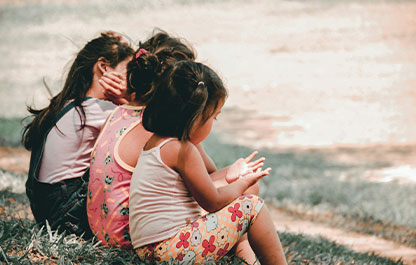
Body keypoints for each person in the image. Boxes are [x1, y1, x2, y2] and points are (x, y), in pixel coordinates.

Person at [88, 31, 261, 259]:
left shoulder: (120, 111)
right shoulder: (161, 129)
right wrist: (238, 179)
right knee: (247, 190)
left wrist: (231, 173)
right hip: (134, 237)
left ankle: (239, 251)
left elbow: (205, 174)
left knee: (239, 182)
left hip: (104, 229)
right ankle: (242, 252)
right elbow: (207, 188)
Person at [129, 60, 287, 264]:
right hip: (170, 250)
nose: (213, 123)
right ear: (194, 118)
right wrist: (242, 184)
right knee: (251, 207)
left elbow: (205, 184)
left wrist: (232, 173)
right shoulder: (182, 150)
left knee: (240, 204)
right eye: (214, 117)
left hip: (151, 249)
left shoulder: (158, 143)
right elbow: (212, 201)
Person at [22, 32, 135, 238]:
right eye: (127, 71)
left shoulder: (69, 104)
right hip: (67, 217)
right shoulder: (98, 110)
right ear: (103, 66)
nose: (130, 81)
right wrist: (128, 100)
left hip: (48, 212)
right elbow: (147, 128)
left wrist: (117, 47)